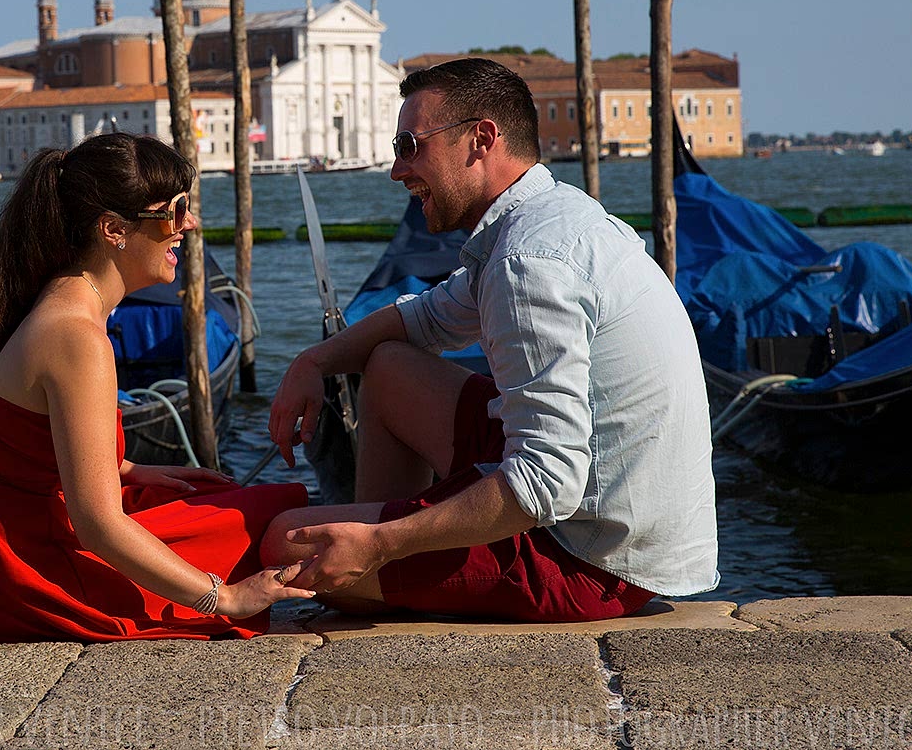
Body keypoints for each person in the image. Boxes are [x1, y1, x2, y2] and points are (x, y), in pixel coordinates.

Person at [263, 58, 718, 621]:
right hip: (615, 514)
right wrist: (314, 361)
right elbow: (419, 321)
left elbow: (547, 484)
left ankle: (373, 566)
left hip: (592, 560)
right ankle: (381, 566)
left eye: (410, 144)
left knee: (291, 542)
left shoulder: (528, 262)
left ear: (480, 140)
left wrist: (381, 543)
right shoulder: (549, 220)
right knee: (388, 367)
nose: (396, 169)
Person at [0, 133, 313, 641]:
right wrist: (226, 596)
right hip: (12, 570)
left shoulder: (50, 299)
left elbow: (24, 449)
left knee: (216, 495)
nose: (189, 224)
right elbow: (97, 526)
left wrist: (129, 469)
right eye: (175, 211)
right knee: (269, 521)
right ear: (113, 229)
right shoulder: (76, 337)